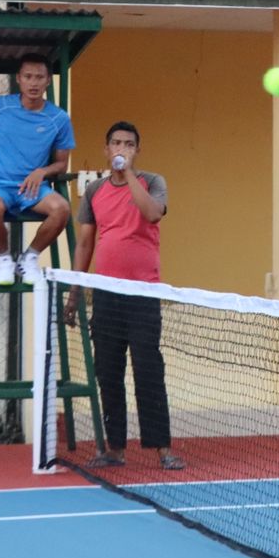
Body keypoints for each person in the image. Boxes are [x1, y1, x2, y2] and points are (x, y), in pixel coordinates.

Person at [63, 121, 182, 470]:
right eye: (116, 143)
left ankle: (162, 449)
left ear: (137, 151)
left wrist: (128, 174)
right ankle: (115, 448)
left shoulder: (153, 182)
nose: (121, 149)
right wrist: (74, 293)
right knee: (108, 371)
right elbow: (85, 243)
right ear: (106, 149)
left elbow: (153, 214)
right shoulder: (94, 191)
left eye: (129, 144)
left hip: (143, 292)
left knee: (148, 369)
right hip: (106, 294)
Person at [0, 53, 74, 286]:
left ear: (48, 80)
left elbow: (61, 164)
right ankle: (4, 259)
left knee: (62, 209)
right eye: (28, 76)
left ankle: (29, 258)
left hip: (33, 189)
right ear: (18, 78)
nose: (33, 83)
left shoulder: (59, 118)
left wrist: (41, 172)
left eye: (39, 77)